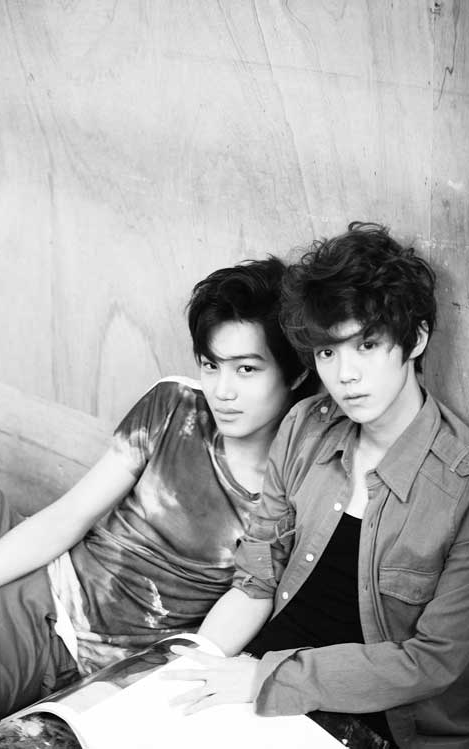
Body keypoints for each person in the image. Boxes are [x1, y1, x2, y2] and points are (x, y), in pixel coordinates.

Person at [0, 256, 320, 737]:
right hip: (43, 572)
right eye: (211, 365)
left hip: (71, 650)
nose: (222, 390)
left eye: (246, 369)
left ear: (295, 374)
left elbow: (250, 597)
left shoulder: (300, 481)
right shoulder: (175, 404)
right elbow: (70, 515)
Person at [168, 223, 469, 749]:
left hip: (368, 722)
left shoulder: (459, 485)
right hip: (255, 686)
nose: (345, 375)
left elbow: (431, 661)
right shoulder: (305, 426)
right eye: (328, 352)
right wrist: (190, 675)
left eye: (367, 345)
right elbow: (255, 583)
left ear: (416, 338)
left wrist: (268, 679)